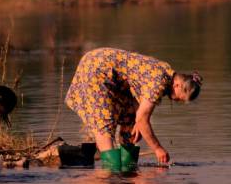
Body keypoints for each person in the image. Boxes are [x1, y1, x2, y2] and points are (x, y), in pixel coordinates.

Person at [66, 47, 201, 165]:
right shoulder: (159, 81)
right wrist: (157, 149)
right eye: (180, 98)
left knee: (131, 122)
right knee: (104, 126)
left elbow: (139, 88)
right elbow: (143, 119)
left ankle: (127, 171)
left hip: (112, 77)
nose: (177, 101)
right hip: (97, 69)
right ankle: (110, 174)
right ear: (177, 85)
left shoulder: (166, 72)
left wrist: (138, 119)